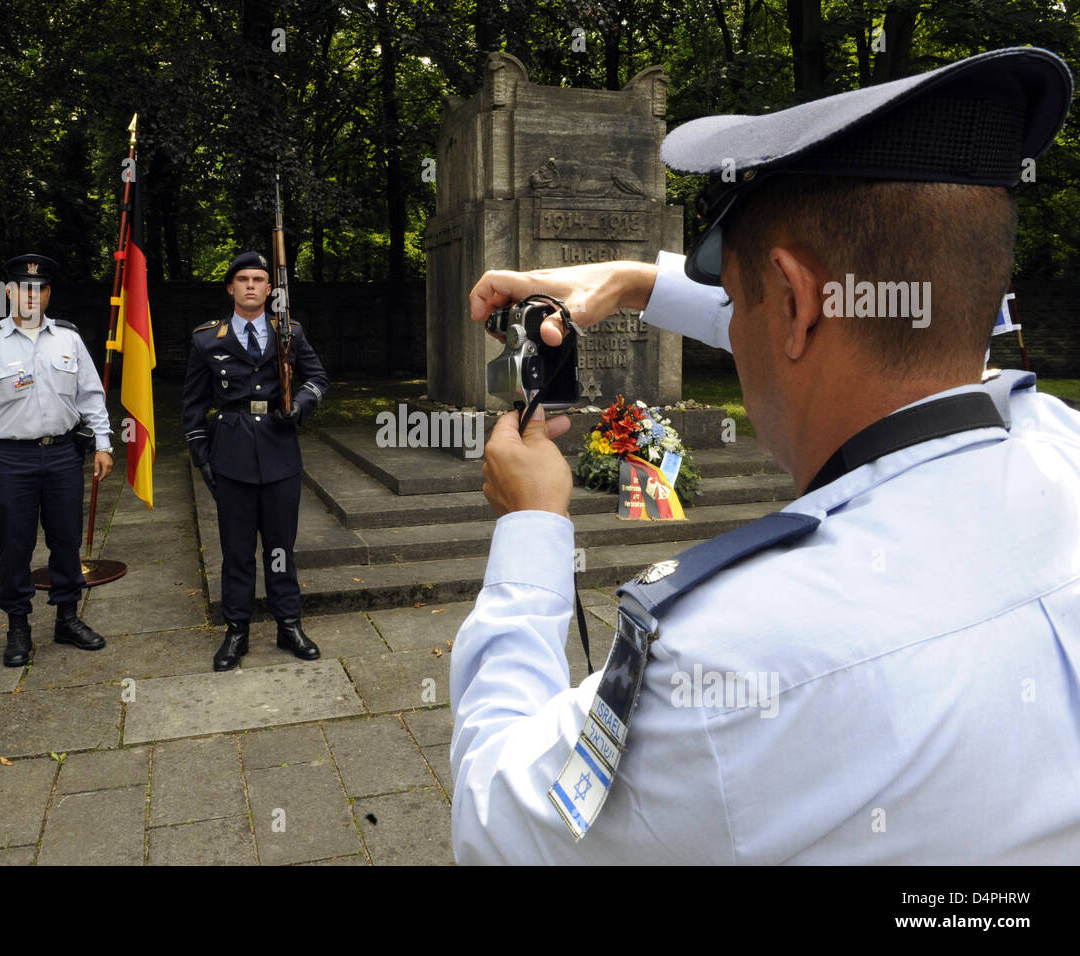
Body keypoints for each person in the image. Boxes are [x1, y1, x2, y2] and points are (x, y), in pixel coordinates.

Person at [450, 47, 1080, 864]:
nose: (733, 322)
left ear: (790, 303)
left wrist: (532, 529)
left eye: (740, 299)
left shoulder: (728, 664)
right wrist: (641, 281)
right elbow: (870, 331)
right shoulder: (1059, 443)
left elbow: (492, 818)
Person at [0, 254, 113, 667]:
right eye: (23, 288)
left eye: (39, 289)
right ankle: (18, 628)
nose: (31, 296)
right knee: (15, 545)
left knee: (66, 540)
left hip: (62, 454)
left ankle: (66, 617)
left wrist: (103, 443)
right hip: (10, 459)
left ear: (47, 294)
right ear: (8, 292)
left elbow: (90, 396)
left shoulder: (68, 339)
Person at [182, 250, 329, 671]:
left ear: (270, 288)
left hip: (281, 451)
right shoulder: (208, 338)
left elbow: (318, 378)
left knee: (281, 547)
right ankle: (237, 631)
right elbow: (193, 405)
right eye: (242, 279)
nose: (250, 285)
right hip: (231, 455)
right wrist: (201, 454)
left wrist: (299, 405)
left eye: (259, 279)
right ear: (231, 287)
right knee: (237, 550)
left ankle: (288, 624)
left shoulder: (291, 333)